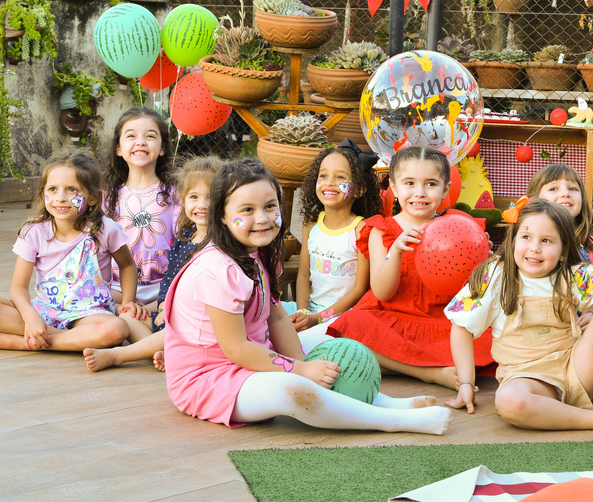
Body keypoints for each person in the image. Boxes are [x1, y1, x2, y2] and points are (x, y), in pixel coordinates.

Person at [162, 159, 451, 435]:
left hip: (251, 356)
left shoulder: (255, 253)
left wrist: (303, 361)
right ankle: (394, 420)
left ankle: (387, 403)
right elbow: (236, 349)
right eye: (247, 210)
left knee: (334, 346)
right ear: (222, 216)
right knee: (295, 391)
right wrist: (300, 370)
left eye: (270, 206)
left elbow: (276, 317)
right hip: (208, 379)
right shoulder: (216, 269)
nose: (262, 219)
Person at [446, 199, 593, 443]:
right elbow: (461, 326)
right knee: (509, 401)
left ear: (563, 251)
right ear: (513, 240)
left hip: (577, 372)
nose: (535, 248)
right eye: (526, 237)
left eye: (546, 241)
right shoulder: (496, 275)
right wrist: (466, 384)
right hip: (526, 379)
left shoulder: (574, 275)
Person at [326, 146, 493, 389]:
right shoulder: (382, 230)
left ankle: (395, 364)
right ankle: (429, 373)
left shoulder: (459, 228)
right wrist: (395, 251)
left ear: (445, 189)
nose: (420, 193)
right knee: (352, 324)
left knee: (492, 336)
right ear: (394, 188)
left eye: (431, 184)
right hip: (393, 320)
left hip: (443, 323)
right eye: (410, 183)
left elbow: (474, 295)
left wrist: (483, 262)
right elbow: (382, 293)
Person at [85, 157, 224, 372]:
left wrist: (174, 311)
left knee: (177, 330)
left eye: (211, 197)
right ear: (183, 201)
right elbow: (170, 279)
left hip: (197, 320)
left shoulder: (223, 242)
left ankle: (119, 355)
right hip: (169, 314)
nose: (202, 205)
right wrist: (161, 307)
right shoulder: (184, 237)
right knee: (127, 315)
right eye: (194, 197)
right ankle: (165, 352)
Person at [0, 149, 133, 352]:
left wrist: (127, 303)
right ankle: (64, 338)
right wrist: (31, 318)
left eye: (72, 190)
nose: (61, 197)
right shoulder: (34, 231)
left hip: (89, 315)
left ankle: (26, 342)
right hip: (45, 310)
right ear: (43, 193)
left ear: (92, 197)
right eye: (53, 189)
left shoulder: (105, 229)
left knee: (117, 329)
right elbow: (18, 288)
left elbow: (127, 265)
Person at [289, 145, 380, 354]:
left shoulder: (361, 230)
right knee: (267, 324)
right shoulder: (311, 226)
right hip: (309, 311)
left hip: (341, 317)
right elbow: (303, 275)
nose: (329, 182)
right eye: (323, 175)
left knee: (296, 345)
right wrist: (303, 312)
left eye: (340, 177)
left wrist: (316, 319)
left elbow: (359, 289)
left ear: (359, 189)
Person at [102, 108, 180, 323]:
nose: (140, 142)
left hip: (163, 289)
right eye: (131, 136)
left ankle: (139, 319)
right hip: (118, 289)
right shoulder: (106, 199)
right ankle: (137, 320)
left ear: (162, 148)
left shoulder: (176, 196)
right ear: (119, 149)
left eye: (150, 136)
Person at [529, 163, 593, 268]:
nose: (566, 193)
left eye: (572, 189)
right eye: (553, 189)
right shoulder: (526, 241)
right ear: (535, 200)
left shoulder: (591, 246)